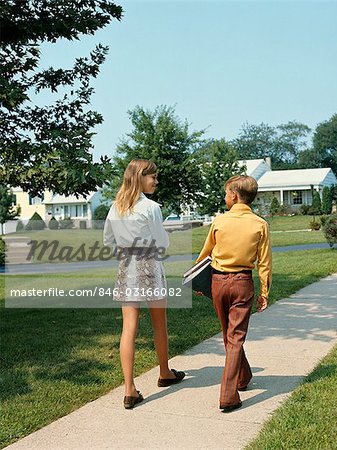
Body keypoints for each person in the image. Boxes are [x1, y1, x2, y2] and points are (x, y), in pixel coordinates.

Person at [103, 159, 185, 409]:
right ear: (140, 177)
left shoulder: (116, 207)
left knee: (129, 328)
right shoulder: (150, 207)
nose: (156, 181)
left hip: (126, 266)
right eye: (153, 177)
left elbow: (108, 240)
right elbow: (162, 242)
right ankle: (164, 372)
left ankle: (129, 389)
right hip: (149, 265)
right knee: (159, 323)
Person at [196, 175, 272, 412]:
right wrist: (265, 291)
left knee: (229, 335)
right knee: (235, 336)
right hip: (241, 283)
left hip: (218, 283)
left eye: (226, 193)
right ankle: (229, 395)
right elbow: (265, 263)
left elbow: (206, 252)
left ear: (235, 195)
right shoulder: (260, 224)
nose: (225, 197)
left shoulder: (219, 221)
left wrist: (199, 282)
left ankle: (242, 378)